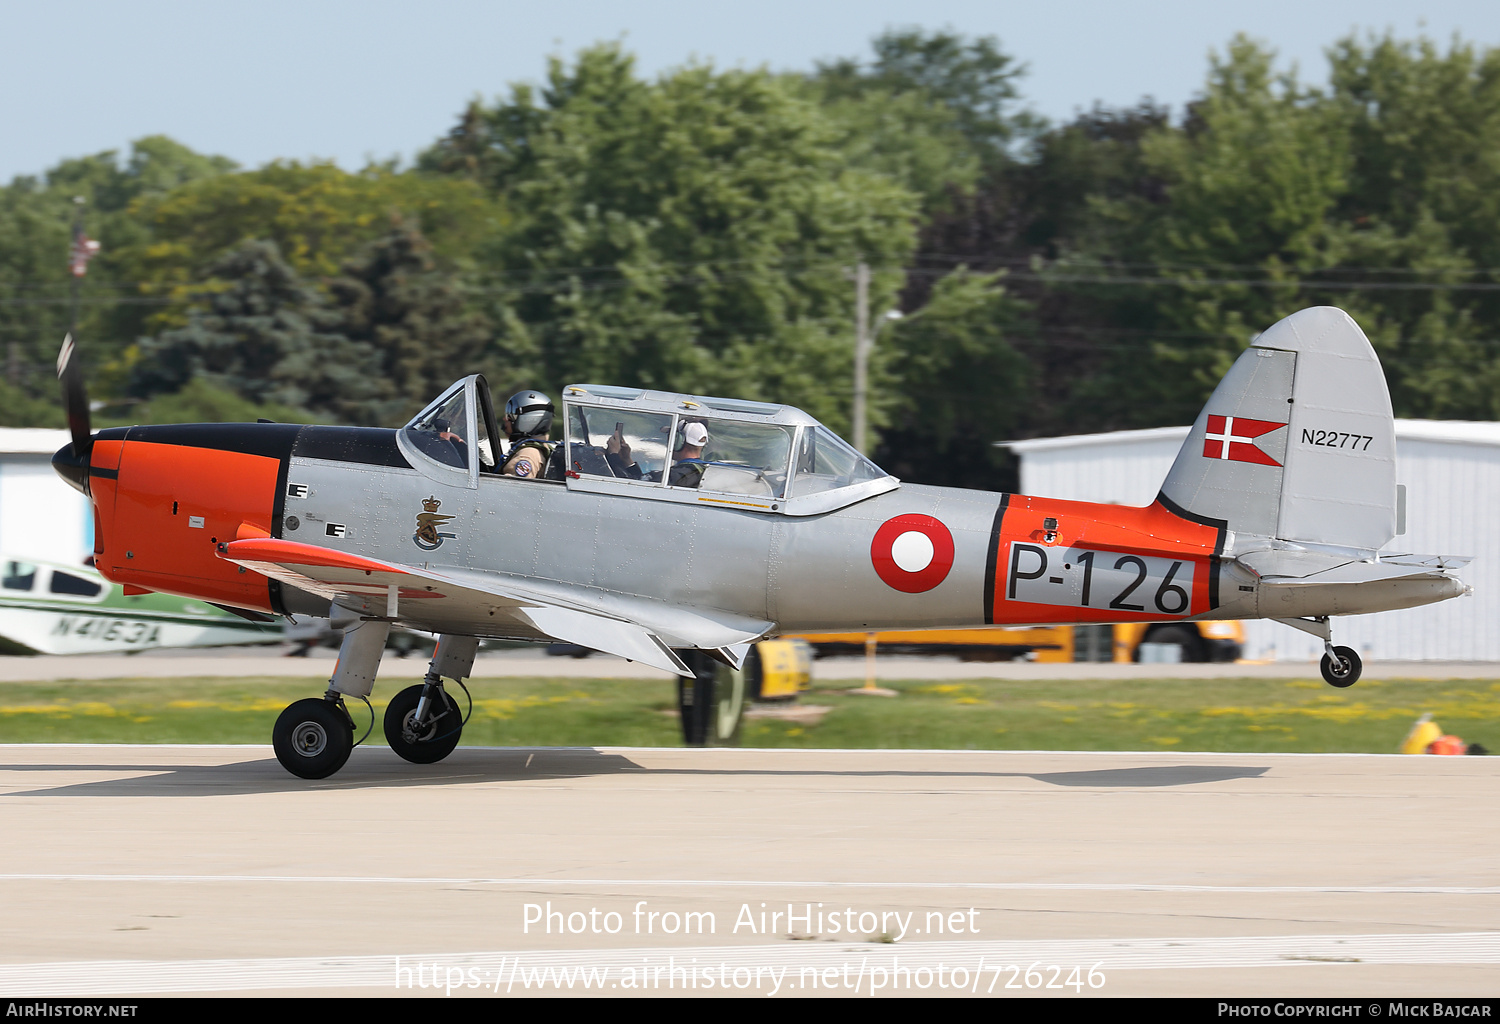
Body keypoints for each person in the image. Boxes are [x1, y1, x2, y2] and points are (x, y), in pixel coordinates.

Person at [499, 390, 556, 479]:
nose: (505, 419)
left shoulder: (527, 454)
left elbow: (513, 489)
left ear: (528, 420)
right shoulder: (535, 449)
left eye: (510, 415)